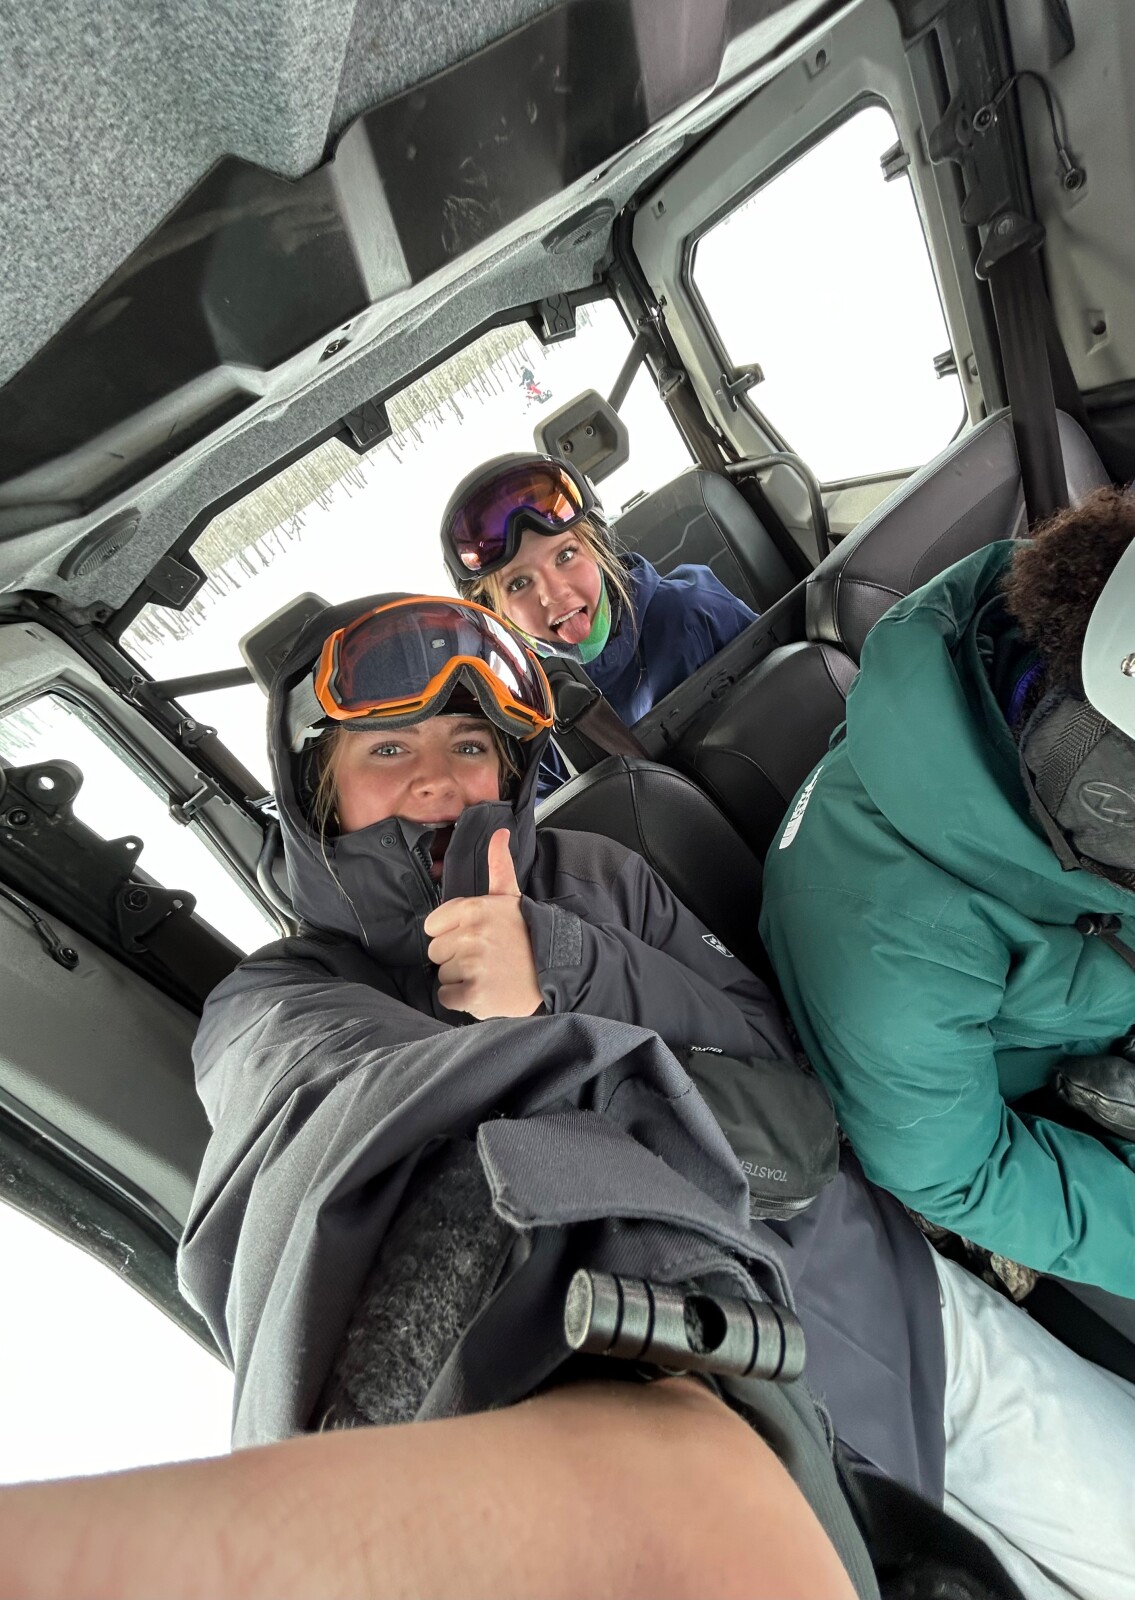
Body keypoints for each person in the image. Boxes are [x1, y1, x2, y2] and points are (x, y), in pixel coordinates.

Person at [177, 592, 1134, 1600]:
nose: (438, 782)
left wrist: (564, 973)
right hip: (743, 1443)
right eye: (386, 750)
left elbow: (797, 1135)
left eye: (468, 744)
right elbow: (330, 1146)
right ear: (313, 788)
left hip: (913, 1318)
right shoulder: (278, 1004)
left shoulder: (597, 879)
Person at [760, 487, 1135, 1322]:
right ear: (1101, 791)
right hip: (1059, 1128)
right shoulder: (880, 946)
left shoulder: (1072, 622)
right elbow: (962, 1171)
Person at [440, 452, 756, 793]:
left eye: (565, 555)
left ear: (597, 550)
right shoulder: (529, 726)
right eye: (519, 583)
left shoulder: (693, 610)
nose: (554, 593)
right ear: (497, 615)